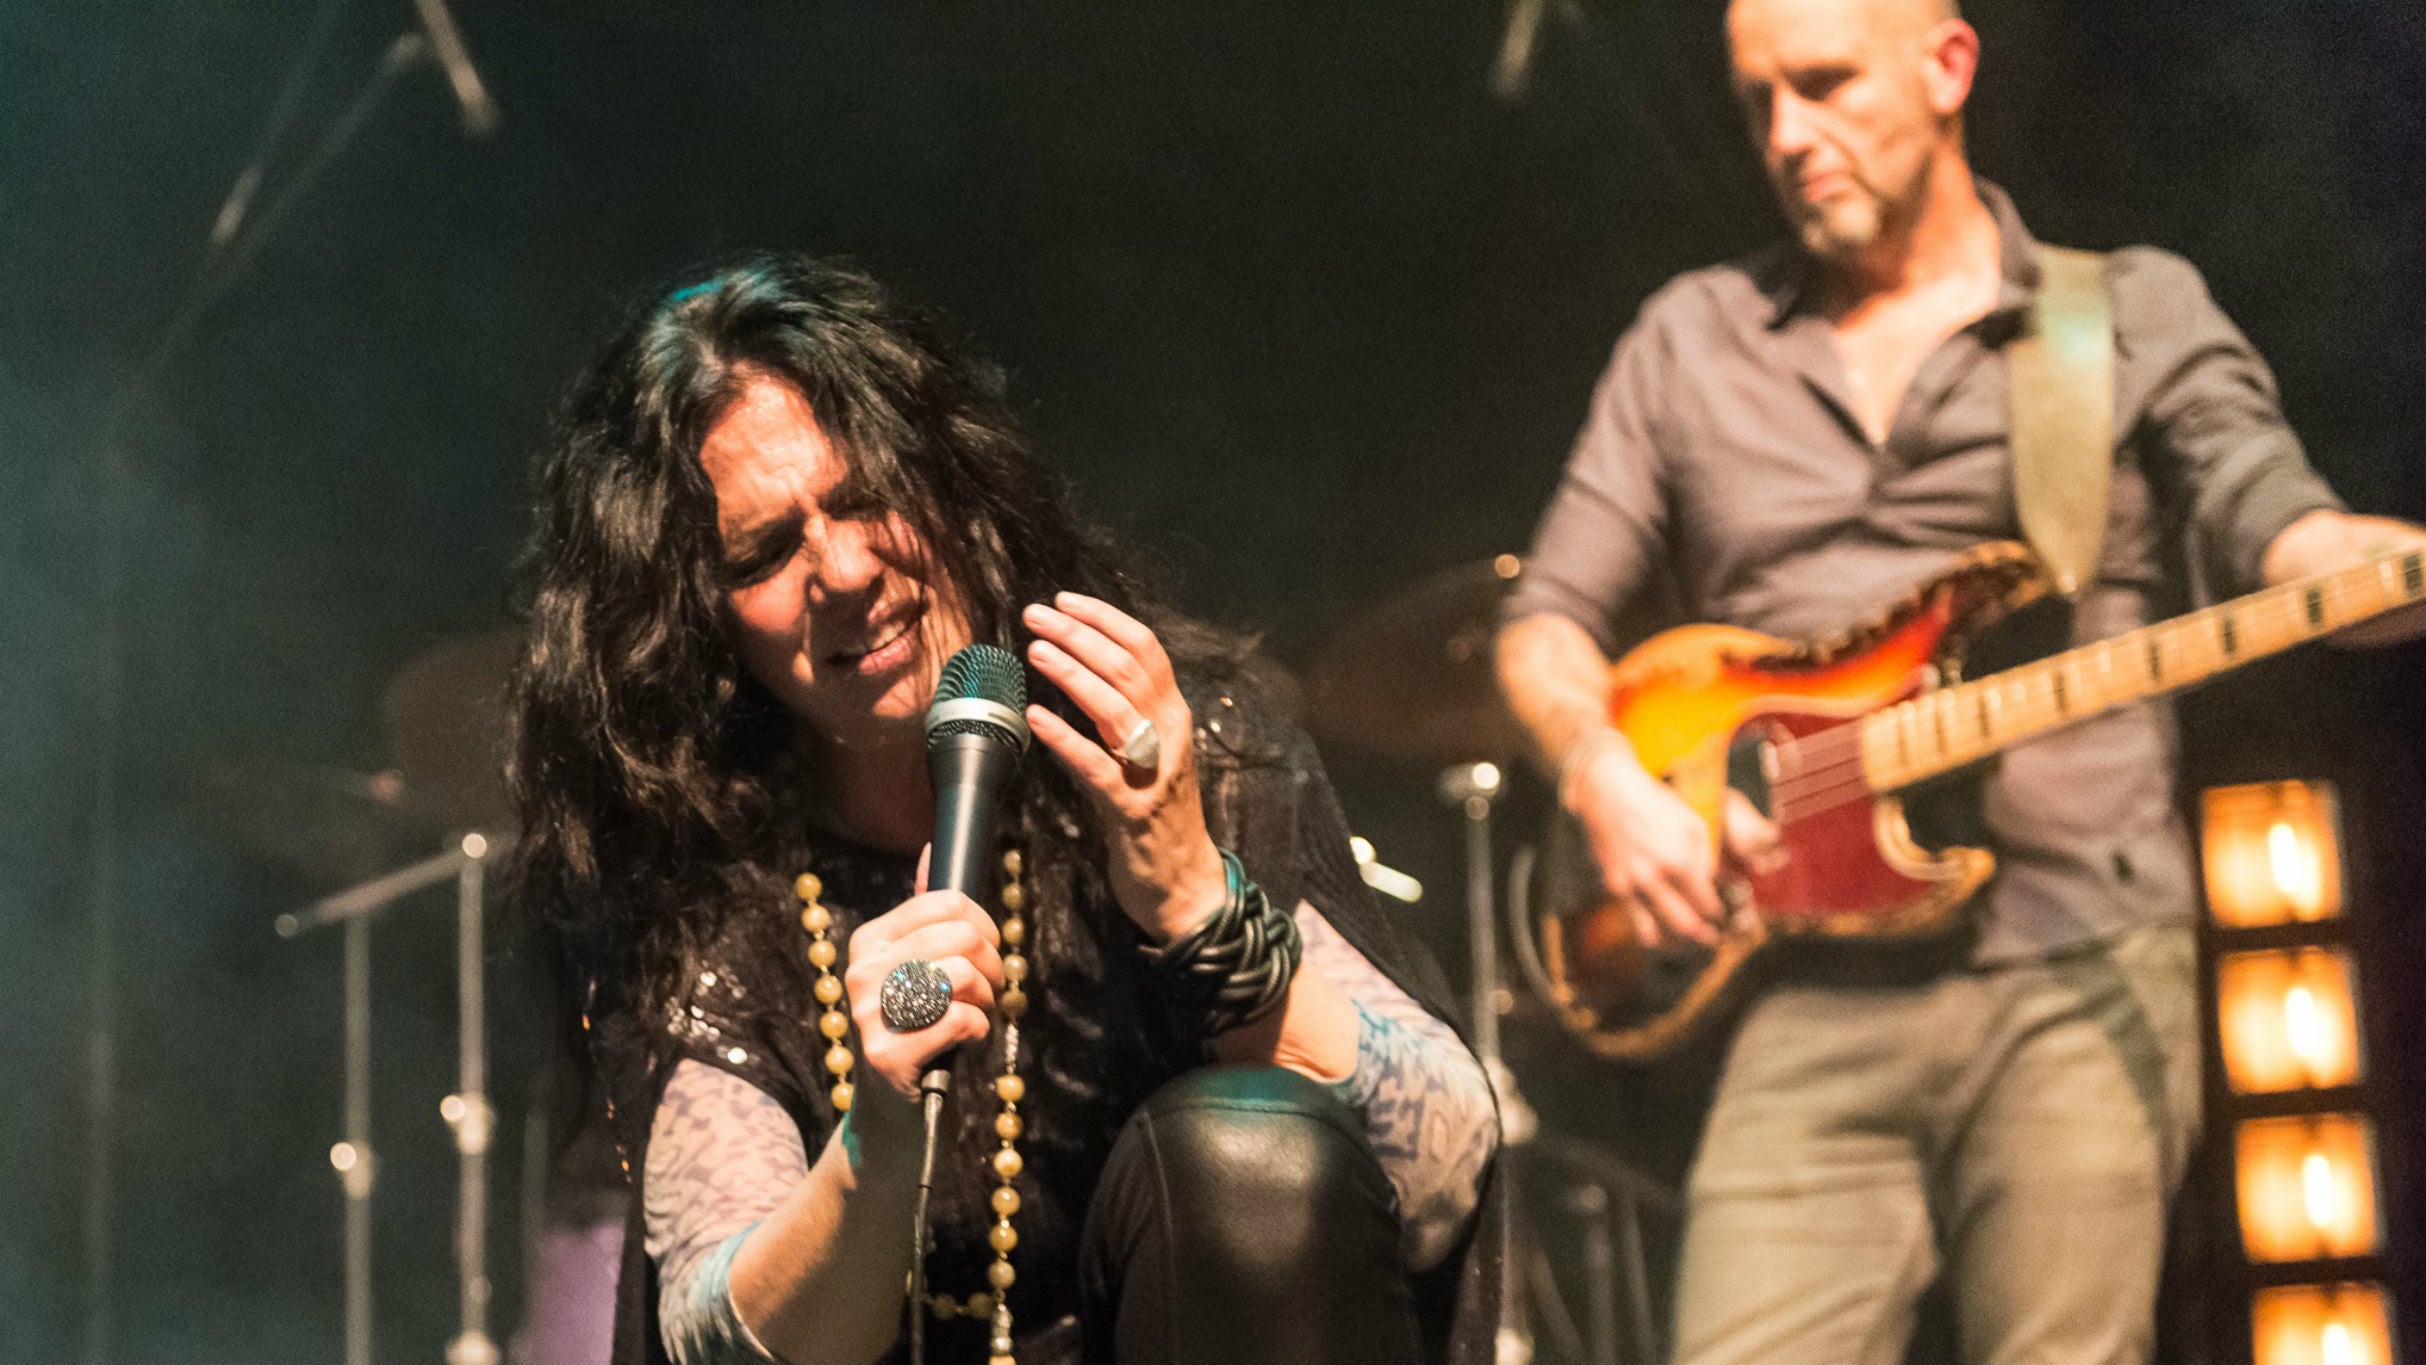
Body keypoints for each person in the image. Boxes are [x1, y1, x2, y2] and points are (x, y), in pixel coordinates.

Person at [1492, 1, 2426, 1361]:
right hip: (1802, 990)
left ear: (1946, 67)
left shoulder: (2119, 312)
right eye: (1757, 101)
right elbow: (1543, 623)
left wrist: (2368, 562)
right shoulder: (1690, 338)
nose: (1785, 135)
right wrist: (1603, 776)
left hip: (2075, 955)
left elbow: (2281, 528)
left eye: (1822, 85)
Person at [507, 255, 1498, 1365]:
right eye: (766, 551)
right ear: (701, 622)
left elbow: (1443, 1179)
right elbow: (722, 1334)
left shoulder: (1177, 751)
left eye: (867, 495)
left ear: (953, 482)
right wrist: (880, 1131)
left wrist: (1196, 902)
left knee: (1243, 1151)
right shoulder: (699, 885)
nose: (844, 570)